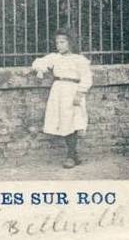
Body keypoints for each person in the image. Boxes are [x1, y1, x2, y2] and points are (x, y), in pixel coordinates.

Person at [32, 31, 93, 168]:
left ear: (70, 43)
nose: (59, 45)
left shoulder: (79, 59)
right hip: (59, 90)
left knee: (73, 121)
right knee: (64, 121)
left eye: (62, 42)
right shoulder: (55, 57)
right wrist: (41, 69)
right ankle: (73, 155)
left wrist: (80, 93)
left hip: (73, 90)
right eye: (57, 42)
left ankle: (71, 156)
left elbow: (87, 78)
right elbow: (38, 63)